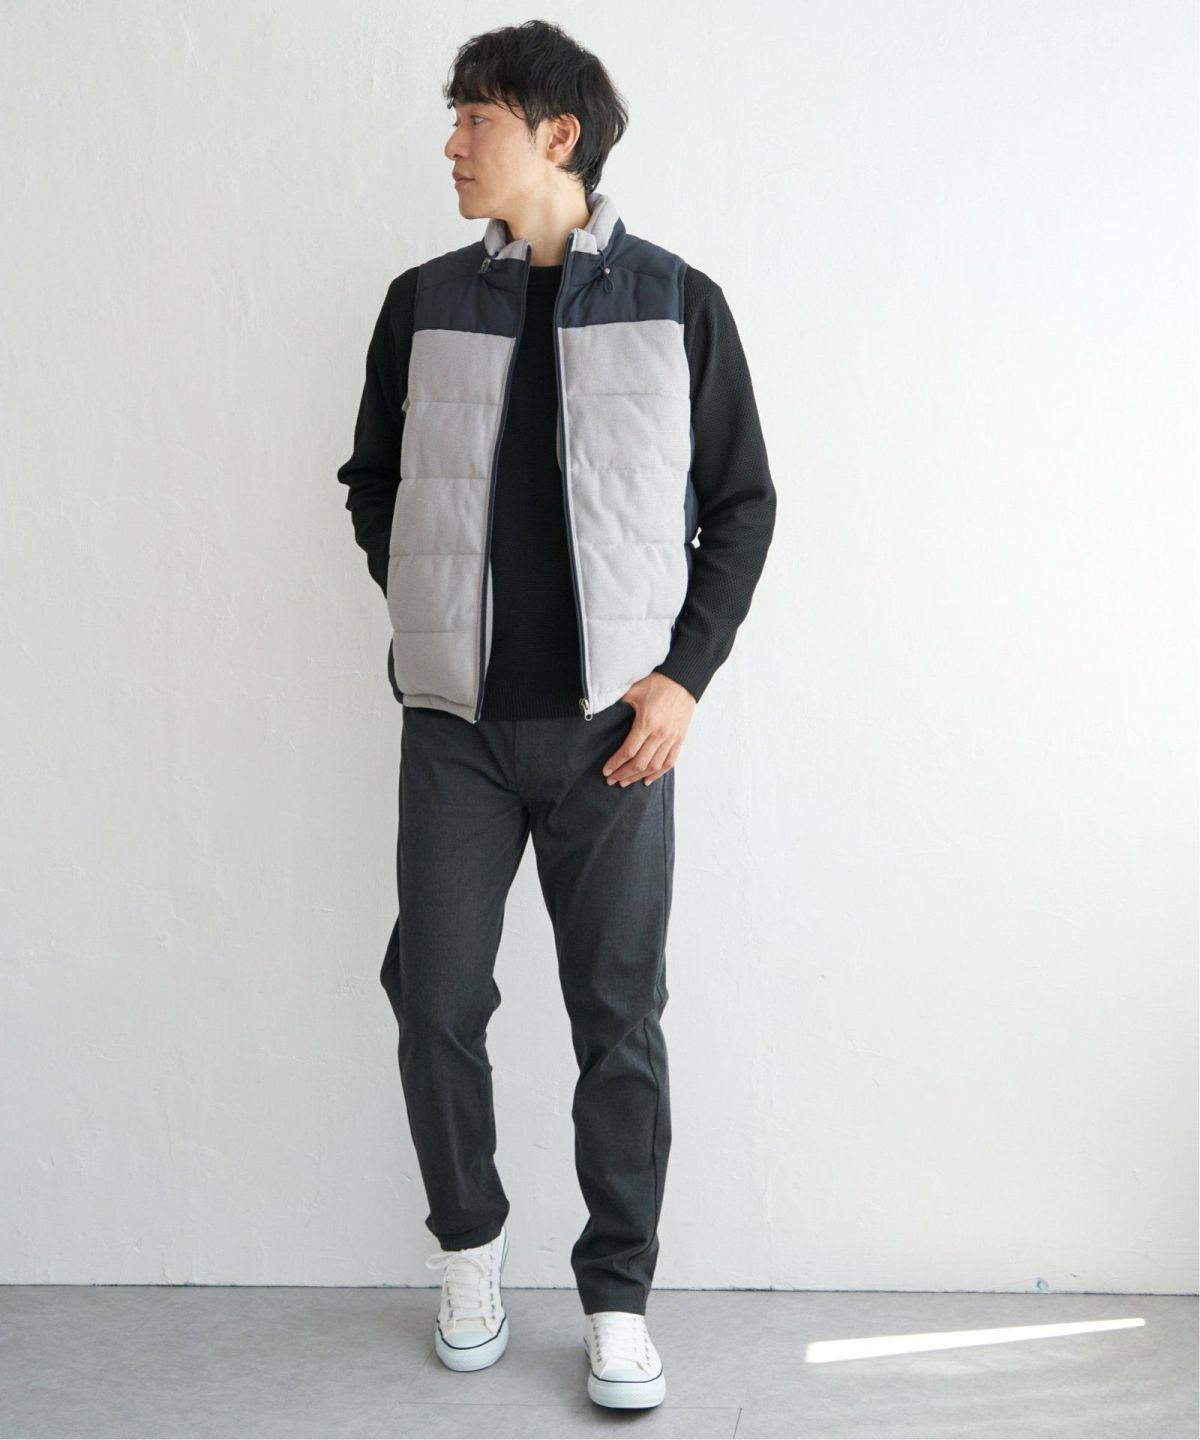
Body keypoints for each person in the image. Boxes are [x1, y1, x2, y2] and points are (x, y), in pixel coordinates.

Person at [336, 19, 776, 1412]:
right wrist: (424, 603)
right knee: (434, 998)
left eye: (475, 117)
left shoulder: (677, 300)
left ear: (557, 135)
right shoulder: (420, 303)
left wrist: (683, 676)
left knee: (618, 1017)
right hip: (456, 729)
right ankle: (469, 1249)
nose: (451, 143)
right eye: (456, 117)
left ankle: (617, 1298)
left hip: (613, 738)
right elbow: (371, 479)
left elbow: (743, 506)